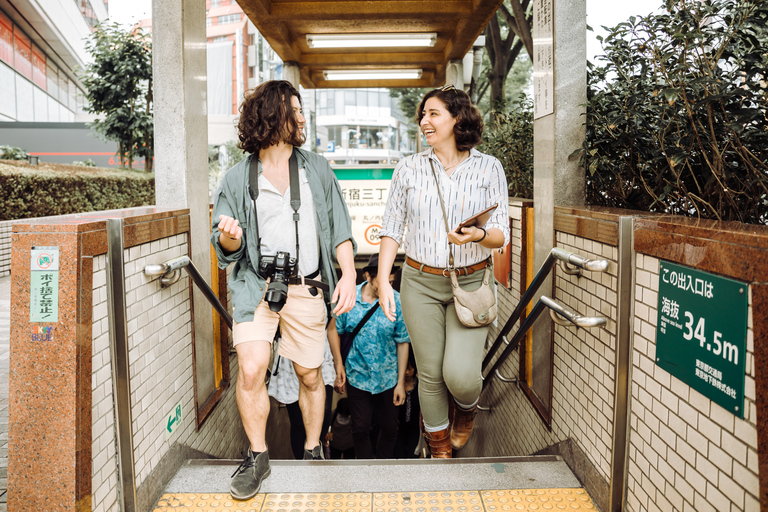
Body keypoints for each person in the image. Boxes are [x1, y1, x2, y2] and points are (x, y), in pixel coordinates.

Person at [211, 80, 356, 500]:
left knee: (311, 375)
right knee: (253, 367)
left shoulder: (317, 170)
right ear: (273, 115)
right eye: (295, 109)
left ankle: (313, 450)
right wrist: (231, 237)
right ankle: (258, 457)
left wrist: (347, 273)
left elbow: (340, 229)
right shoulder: (237, 178)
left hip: (308, 286)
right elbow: (225, 247)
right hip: (255, 285)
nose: (302, 117)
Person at [376, 85, 509, 458]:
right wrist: (386, 280)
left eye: (433, 114)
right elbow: (391, 227)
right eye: (423, 115)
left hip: (471, 282)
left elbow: (501, 235)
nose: (424, 122)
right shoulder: (409, 168)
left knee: (461, 377)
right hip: (419, 281)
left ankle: (466, 408)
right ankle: (438, 451)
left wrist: (478, 234)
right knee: (430, 375)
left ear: (457, 119)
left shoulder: (488, 167)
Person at [332, 253, 410, 459]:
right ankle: (367, 470)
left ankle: (382, 466)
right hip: (358, 377)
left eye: (391, 282)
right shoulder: (349, 298)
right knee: (360, 429)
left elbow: (402, 341)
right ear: (368, 275)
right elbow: (335, 332)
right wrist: (338, 366)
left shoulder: (397, 301)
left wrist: (401, 382)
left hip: (388, 379)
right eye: (383, 282)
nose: (388, 288)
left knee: (391, 428)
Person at [267, 331, 337, 460]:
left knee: (323, 418)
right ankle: (301, 465)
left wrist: (338, 365)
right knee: (298, 423)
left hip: (321, 352)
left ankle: (315, 455)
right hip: (290, 354)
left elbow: (332, 327)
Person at [393, 351, 421, 458]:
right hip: (398, 428)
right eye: (405, 369)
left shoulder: (420, 386)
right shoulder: (396, 386)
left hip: (415, 429)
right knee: (398, 455)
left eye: (410, 369)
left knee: (413, 455)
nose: (407, 372)